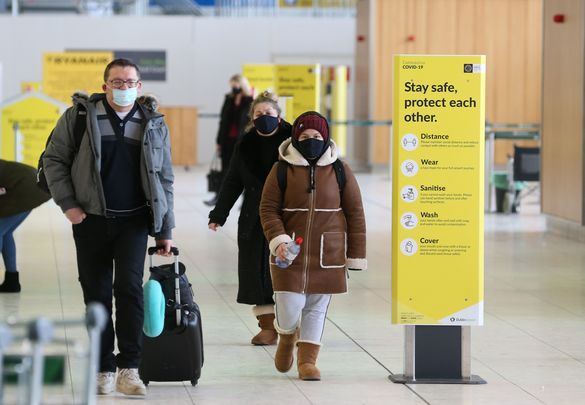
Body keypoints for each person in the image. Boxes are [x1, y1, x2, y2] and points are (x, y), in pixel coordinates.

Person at [42, 58, 175, 397]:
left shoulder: (153, 122)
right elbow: (53, 160)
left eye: (130, 82)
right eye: (117, 82)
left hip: (133, 221)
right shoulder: (80, 117)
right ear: (104, 86)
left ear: (140, 86)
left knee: (129, 291)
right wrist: (68, 204)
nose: (124, 87)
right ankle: (103, 368)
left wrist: (165, 230)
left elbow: (164, 178)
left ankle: (129, 369)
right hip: (90, 220)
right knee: (96, 294)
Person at [259, 111, 367, 381]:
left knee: (317, 308)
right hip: (289, 253)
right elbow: (268, 208)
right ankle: (286, 336)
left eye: (317, 136)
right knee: (289, 304)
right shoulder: (281, 169)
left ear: (326, 137)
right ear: (295, 138)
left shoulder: (340, 170)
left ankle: (307, 361)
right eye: (305, 136)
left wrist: (355, 254)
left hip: (327, 253)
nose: (311, 141)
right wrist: (278, 239)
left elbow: (355, 213)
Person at [208, 91, 291, 346]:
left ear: (278, 116)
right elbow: (233, 181)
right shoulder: (244, 144)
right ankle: (267, 326)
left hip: (288, 214)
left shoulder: (293, 141)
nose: (263, 118)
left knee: (290, 269)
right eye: (258, 114)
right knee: (256, 269)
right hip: (253, 215)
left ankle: (291, 327)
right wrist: (218, 214)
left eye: (268, 114)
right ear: (251, 118)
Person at [0, 160, 50, 293]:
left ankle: (12, 281)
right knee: (5, 233)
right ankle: (12, 281)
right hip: (32, 186)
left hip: (28, 188)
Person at [204, 74, 253, 206]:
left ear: (242, 85)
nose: (233, 88)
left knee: (242, 170)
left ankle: (245, 200)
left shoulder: (249, 100)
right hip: (227, 140)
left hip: (241, 141)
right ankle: (218, 197)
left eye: (235, 85)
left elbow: (250, 123)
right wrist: (218, 141)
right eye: (232, 85)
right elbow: (223, 121)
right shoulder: (228, 99)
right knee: (224, 170)